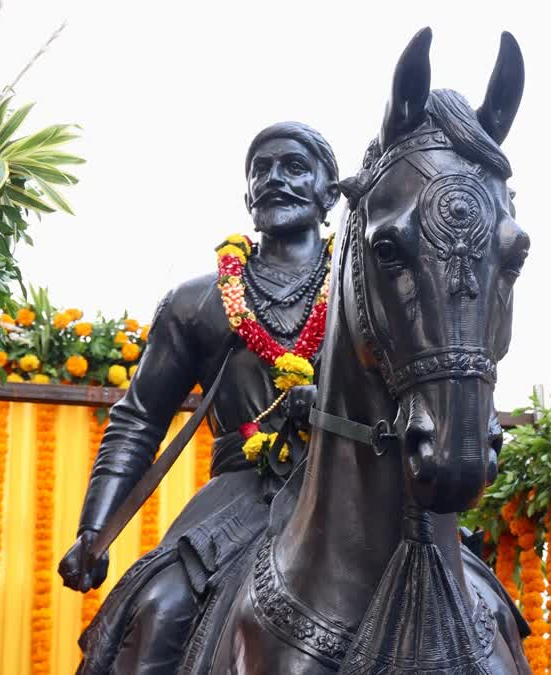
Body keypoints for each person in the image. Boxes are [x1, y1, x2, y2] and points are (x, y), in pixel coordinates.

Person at [58, 121, 340, 674]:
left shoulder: (366, 288)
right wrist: (95, 529)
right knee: (158, 608)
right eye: (262, 170)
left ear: (330, 193)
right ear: (247, 196)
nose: (275, 179)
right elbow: (139, 419)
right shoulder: (198, 300)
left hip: (349, 490)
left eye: (295, 167)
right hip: (240, 497)